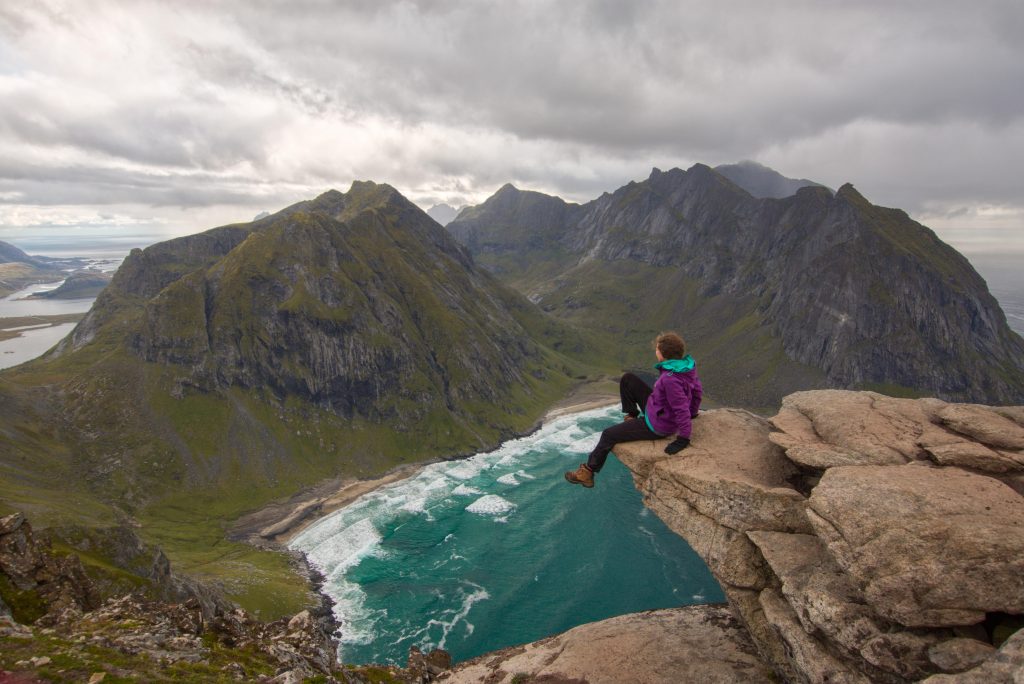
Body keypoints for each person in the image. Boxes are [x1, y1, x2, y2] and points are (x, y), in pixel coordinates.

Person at [565, 332, 702, 488]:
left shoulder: (669, 378)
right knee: (628, 379)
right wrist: (694, 412)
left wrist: (683, 438)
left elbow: (681, 408)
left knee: (608, 435)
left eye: (657, 349)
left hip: (658, 425)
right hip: (656, 407)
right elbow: (697, 391)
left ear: (663, 354)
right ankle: (632, 415)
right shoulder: (685, 367)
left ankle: (588, 472)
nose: (655, 351)